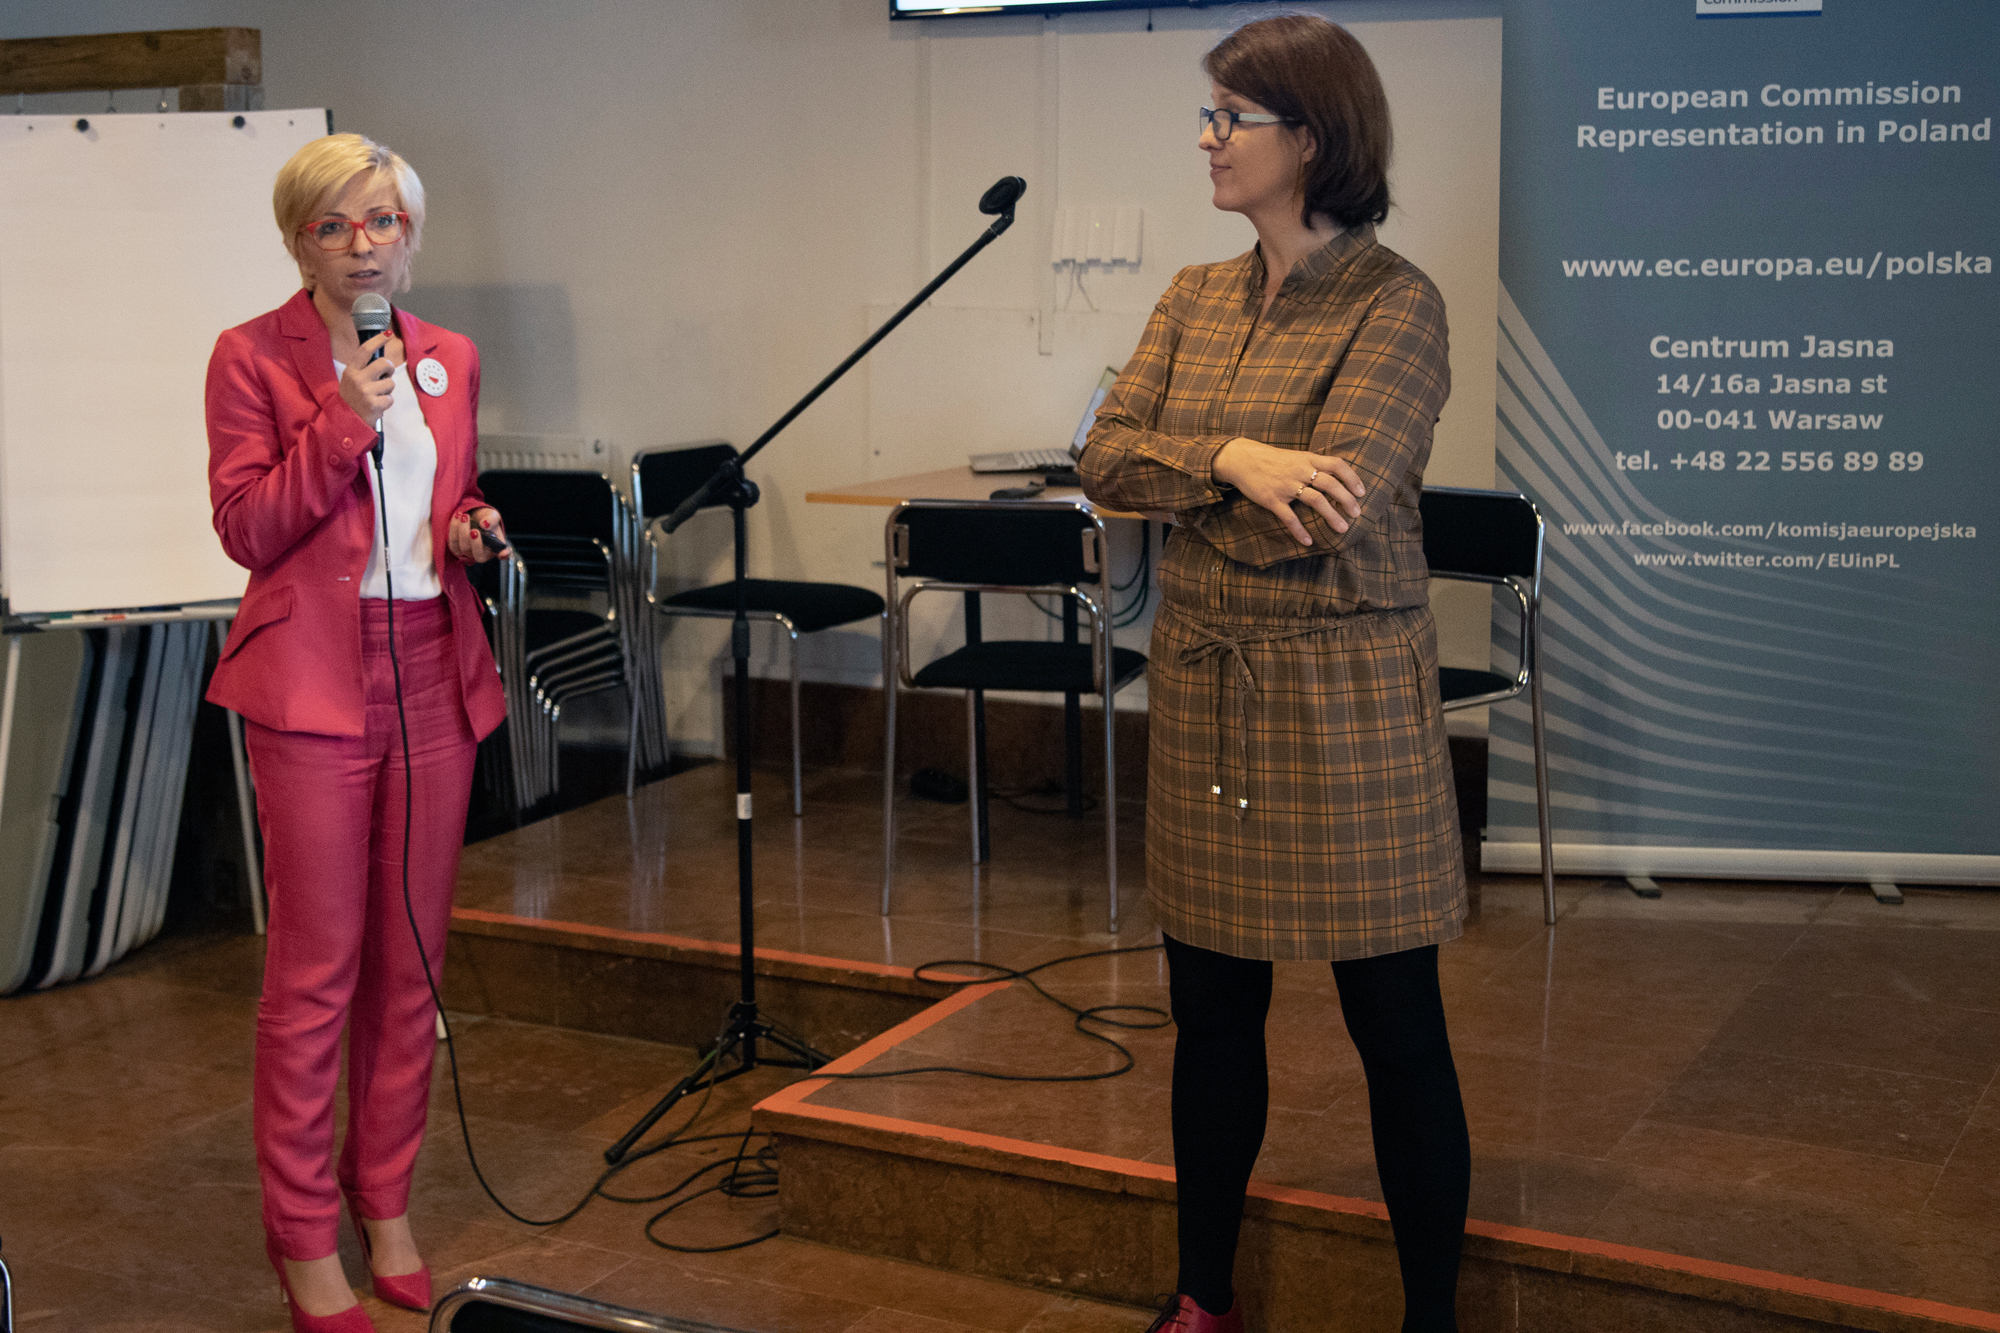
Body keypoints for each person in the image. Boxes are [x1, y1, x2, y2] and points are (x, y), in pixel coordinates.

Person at [1079, 15, 1470, 1333]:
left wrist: (1206, 482)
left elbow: (1329, 508)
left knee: (1395, 1026)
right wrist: (1235, 459)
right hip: (1209, 695)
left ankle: (1429, 1319)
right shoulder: (1194, 295)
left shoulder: (1396, 302)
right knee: (1209, 1013)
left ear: (1309, 136)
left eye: (1229, 117)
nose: (1207, 139)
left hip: (1345, 705)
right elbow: (1104, 457)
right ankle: (1204, 1296)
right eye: (1207, 114)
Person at [206, 133, 510, 1333]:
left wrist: (470, 526)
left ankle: (383, 1197)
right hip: (312, 691)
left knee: (409, 965)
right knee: (316, 975)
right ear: (299, 243)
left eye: (380, 220)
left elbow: (446, 493)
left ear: (410, 233)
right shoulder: (249, 356)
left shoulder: (449, 356)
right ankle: (299, 1235)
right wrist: (341, 419)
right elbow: (247, 527)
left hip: (433, 671)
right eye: (332, 225)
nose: (361, 244)